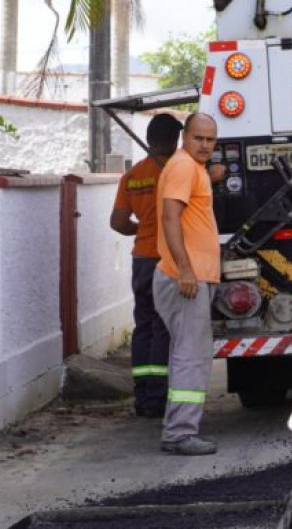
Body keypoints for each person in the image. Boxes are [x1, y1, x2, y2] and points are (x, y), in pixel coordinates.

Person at [153, 112, 221, 455]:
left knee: (189, 353)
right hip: (184, 279)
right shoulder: (183, 167)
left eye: (211, 140)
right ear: (185, 137)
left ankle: (180, 429)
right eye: (198, 138)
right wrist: (185, 269)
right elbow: (170, 217)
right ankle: (179, 433)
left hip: (190, 277)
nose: (205, 145)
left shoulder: (192, 168)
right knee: (190, 356)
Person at [110, 114, 182, 418]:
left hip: (141, 260)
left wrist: (141, 230)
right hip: (167, 259)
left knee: (144, 326)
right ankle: (158, 397)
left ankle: (142, 396)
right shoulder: (177, 172)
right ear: (175, 141)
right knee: (164, 327)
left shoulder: (132, 176)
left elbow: (118, 222)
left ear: (150, 139)